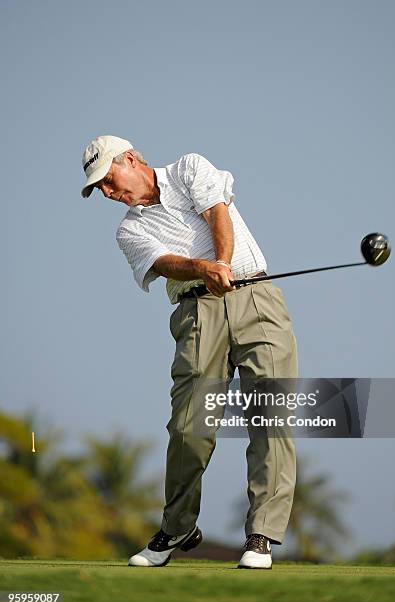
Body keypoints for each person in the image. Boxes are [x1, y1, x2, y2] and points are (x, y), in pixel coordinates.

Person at [80, 135, 298, 569]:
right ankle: (177, 527)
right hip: (197, 315)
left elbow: (218, 213)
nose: (106, 191)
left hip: (255, 297)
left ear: (129, 158)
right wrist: (204, 269)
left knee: (271, 417)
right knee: (189, 428)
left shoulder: (189, 168)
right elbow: (163, 264)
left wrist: (221, 261)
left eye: (106, 178)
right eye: (99, 188)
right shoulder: (130, 229)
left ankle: (261, 537)